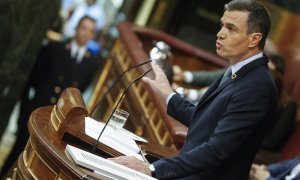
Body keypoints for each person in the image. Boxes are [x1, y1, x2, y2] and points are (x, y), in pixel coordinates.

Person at [109, 0, 277, 179]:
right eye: (222, 26)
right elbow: (205, 121)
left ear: (254, 39)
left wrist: (153, 170)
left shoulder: (257, 87)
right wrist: (168, 94)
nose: (220, 34)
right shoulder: (237, 68)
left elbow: (217, 150)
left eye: (231, 28)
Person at [0, 16, 101, 177]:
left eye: (91, 30)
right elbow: (32, 79)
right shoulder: (54, 48)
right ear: (76, 29)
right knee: (17, 155)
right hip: (37, 111)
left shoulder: (92, 64)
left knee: (38, 166)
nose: (86, 33)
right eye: (83, 28)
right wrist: (25, 111)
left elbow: (77, 93)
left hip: (56, 121)